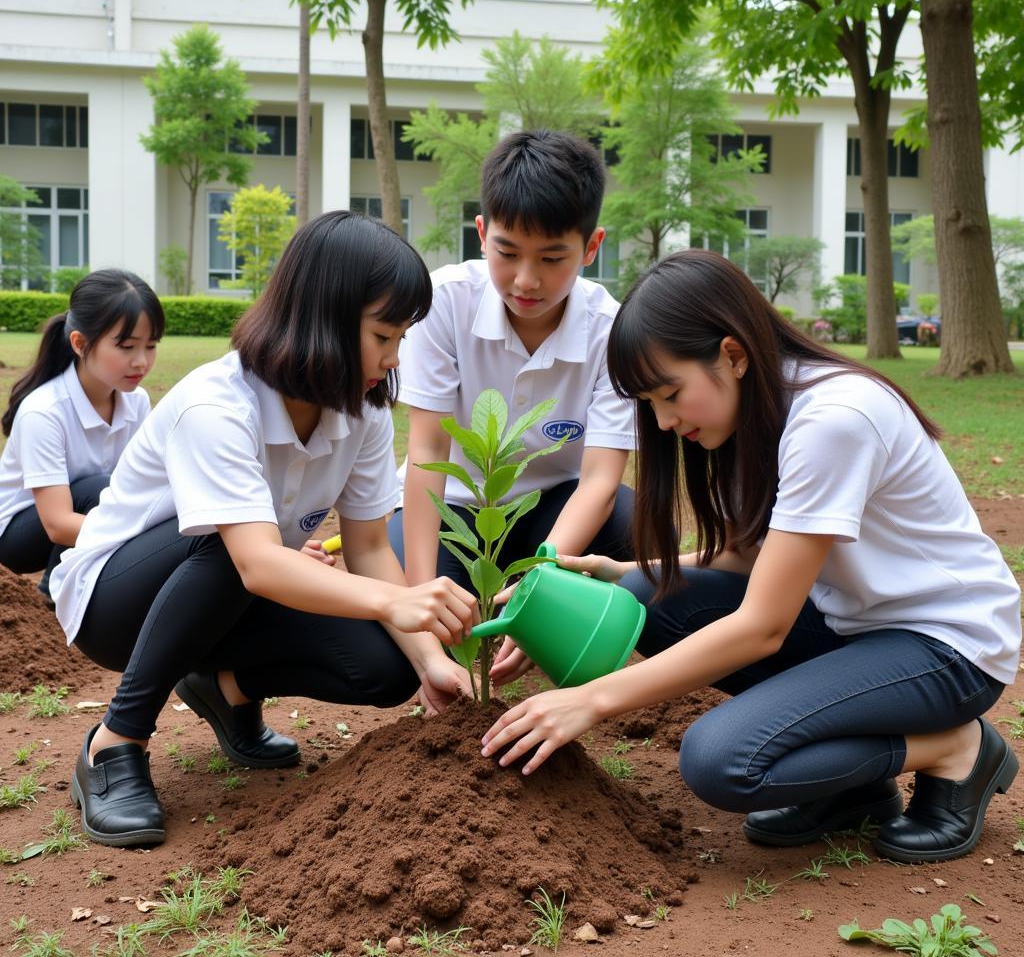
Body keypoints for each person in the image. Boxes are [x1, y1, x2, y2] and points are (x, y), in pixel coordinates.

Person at [480, 249, 1020, 865]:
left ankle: (957, 750)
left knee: (721, 761)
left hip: (946, 647)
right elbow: (753, 555)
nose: (661, 422)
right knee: (649, 599)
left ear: (732, 355)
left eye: (670, 394)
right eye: (650, 404)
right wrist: (627, 572)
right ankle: (856, 789)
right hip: (859, 631)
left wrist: (591, 700)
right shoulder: (755, 418)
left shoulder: (834, 420)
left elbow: (763, 625)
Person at [51, 212, 478, 848]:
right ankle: (115, 743)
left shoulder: (361, 411)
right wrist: (399, 598)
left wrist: (430, 658)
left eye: (402, 337)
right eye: (383, 335)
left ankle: (223, 690)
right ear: (324, 318)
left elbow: (365, 546)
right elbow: (254, 562)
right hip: (115, 605)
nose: (395, 359)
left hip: (229, 599)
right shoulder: (217, 404)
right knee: (235, 552)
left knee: (385, 668)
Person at [389, 129, 636, 688]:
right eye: (507, 253)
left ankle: (566, 635)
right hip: (453, 506)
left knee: (630, 518)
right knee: (412, 638)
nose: (527, 280)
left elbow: (598, 480)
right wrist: (423, 607)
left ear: (591, 247)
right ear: (482, 233)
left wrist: (541, 585)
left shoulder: (611, 331)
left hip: (552, 511)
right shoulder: (444, 302)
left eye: (552, 258)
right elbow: (428, 451)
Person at [0, 269, 163, 605]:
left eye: (150, 346)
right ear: (80, 343)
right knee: (98, 489)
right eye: (127, 346)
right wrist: (134, 534)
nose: (141, 361)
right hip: (15, 538)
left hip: (84, 521)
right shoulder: (44, 412)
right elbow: (58, 525)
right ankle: (52, 591)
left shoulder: (137, 401)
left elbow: (138, 488)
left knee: (112, 493)